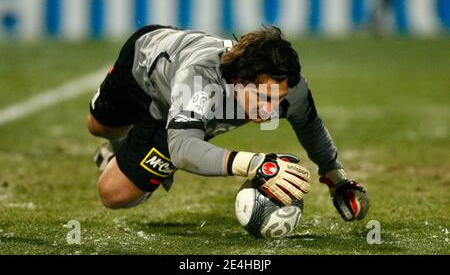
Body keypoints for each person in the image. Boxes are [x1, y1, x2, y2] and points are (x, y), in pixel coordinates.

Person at [86, 24, 370, 221]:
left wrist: (337, 179)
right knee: (97, 127)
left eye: (277, 99)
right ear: (236, 80)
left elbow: (310, 125)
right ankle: (120, 147)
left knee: (114, 194)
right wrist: (256, 165)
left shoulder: (288, 87)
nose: (270, 110)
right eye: (261, 97)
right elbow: (183, 150)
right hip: (140, 64)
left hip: (166, 114)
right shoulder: (199, 81)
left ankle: (134, 158)